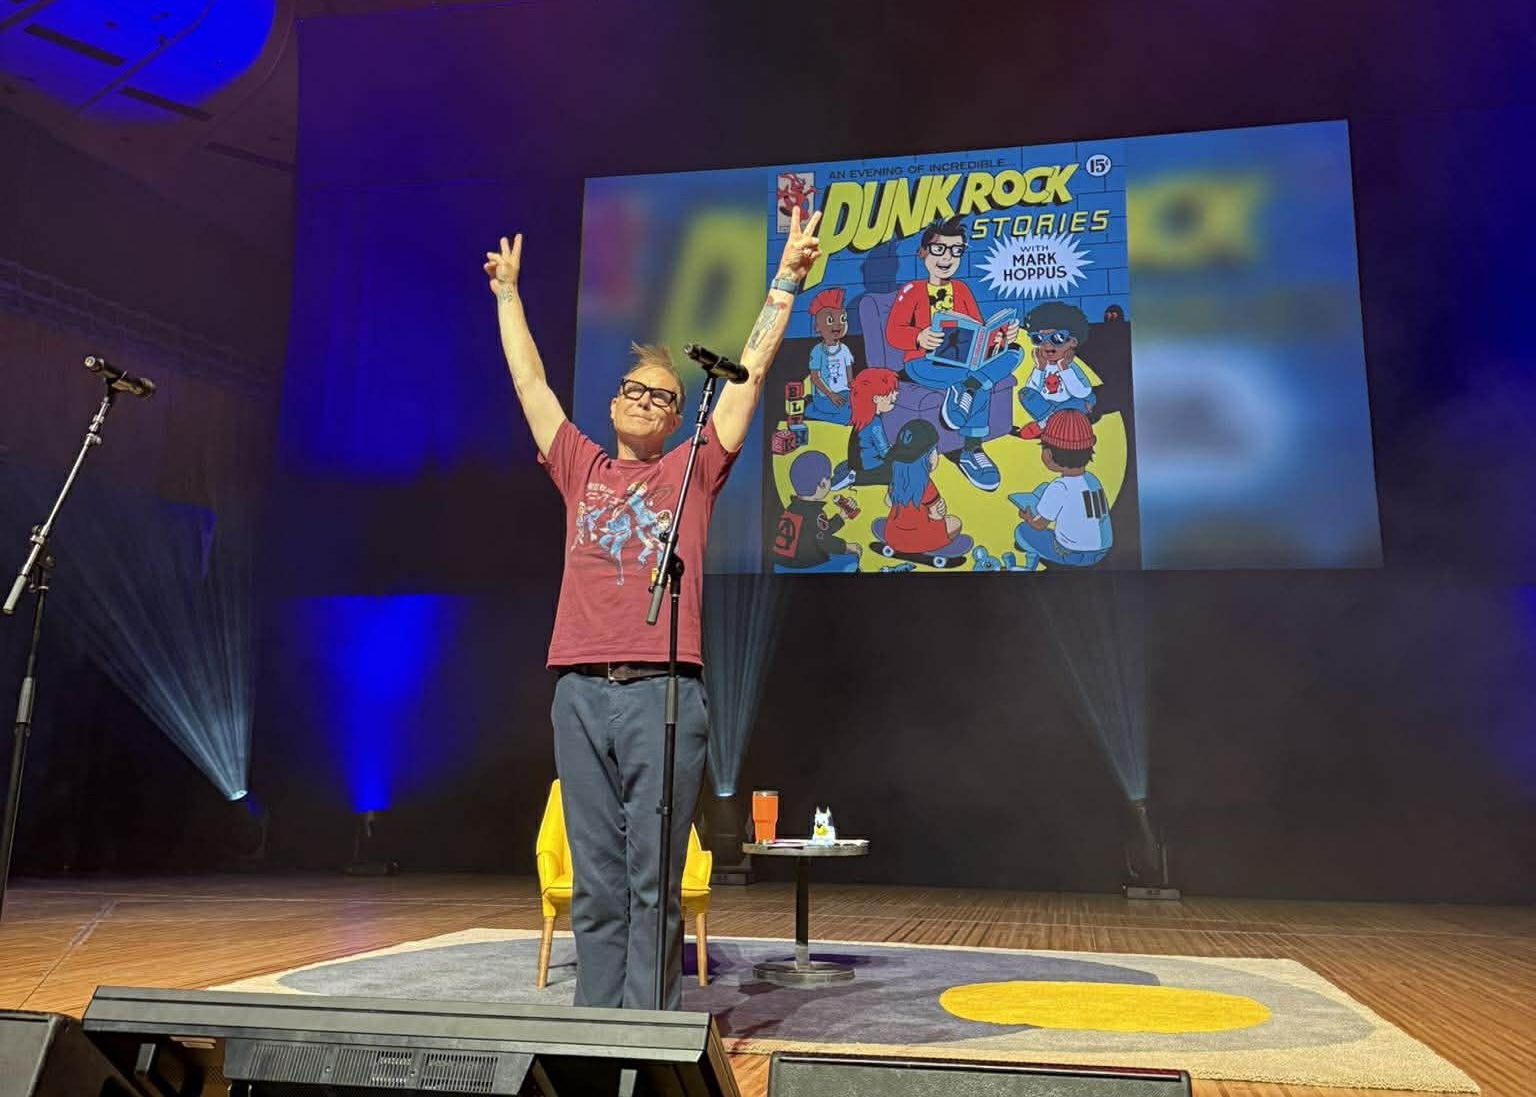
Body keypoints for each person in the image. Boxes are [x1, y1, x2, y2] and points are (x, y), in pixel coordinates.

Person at [483, 207, 823, 1010]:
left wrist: (787, 281)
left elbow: (747, 376)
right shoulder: (579, 465)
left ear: (677, 419)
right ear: (613, 405)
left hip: (664, 691)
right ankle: (596, 1038)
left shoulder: (691, 473)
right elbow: (531, 383)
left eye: (661, 396)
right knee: (596, 883)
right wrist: (508, 297)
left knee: (651, 884)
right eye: (632, 390)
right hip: (578, 690)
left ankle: (647, 1035)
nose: (644, 400)